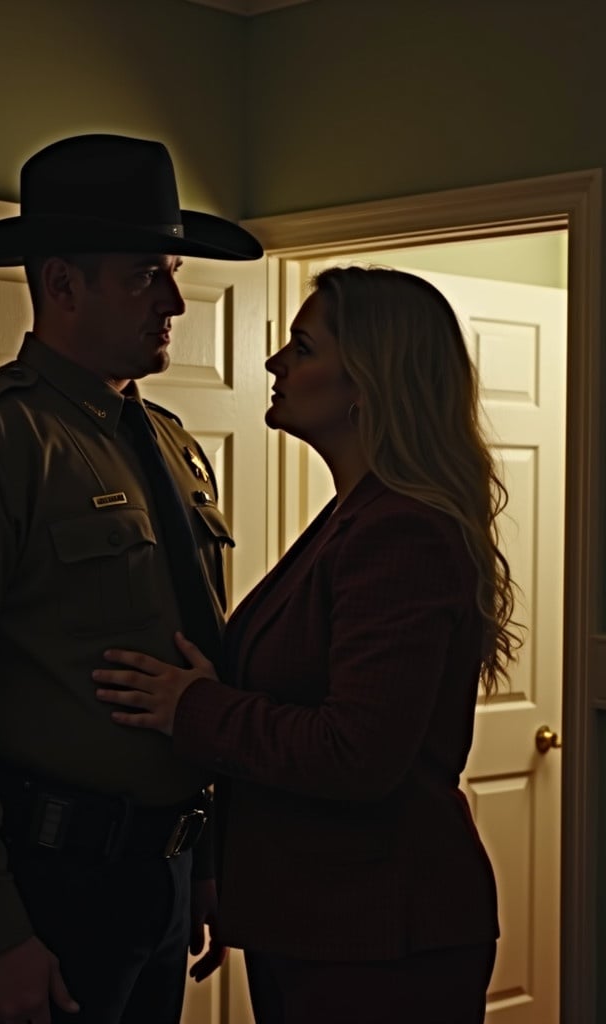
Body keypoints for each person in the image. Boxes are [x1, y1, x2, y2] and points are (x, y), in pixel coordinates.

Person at [0, 133, 262, 1024]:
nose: (175, 300)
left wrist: (201, 863)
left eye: (173, 271)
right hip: (47, 883)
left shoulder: (165, 440)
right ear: (60, 285)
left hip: (158, 873)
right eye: (144, 275)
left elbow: (190, 647)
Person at [92, 265, 523, 1024]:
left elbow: (357, 751)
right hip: (322, 923)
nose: (273, 364)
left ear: (366, 381)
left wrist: (194, 708)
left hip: (382, 935)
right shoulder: (353, 517)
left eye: (301, 347)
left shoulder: (399, 530)